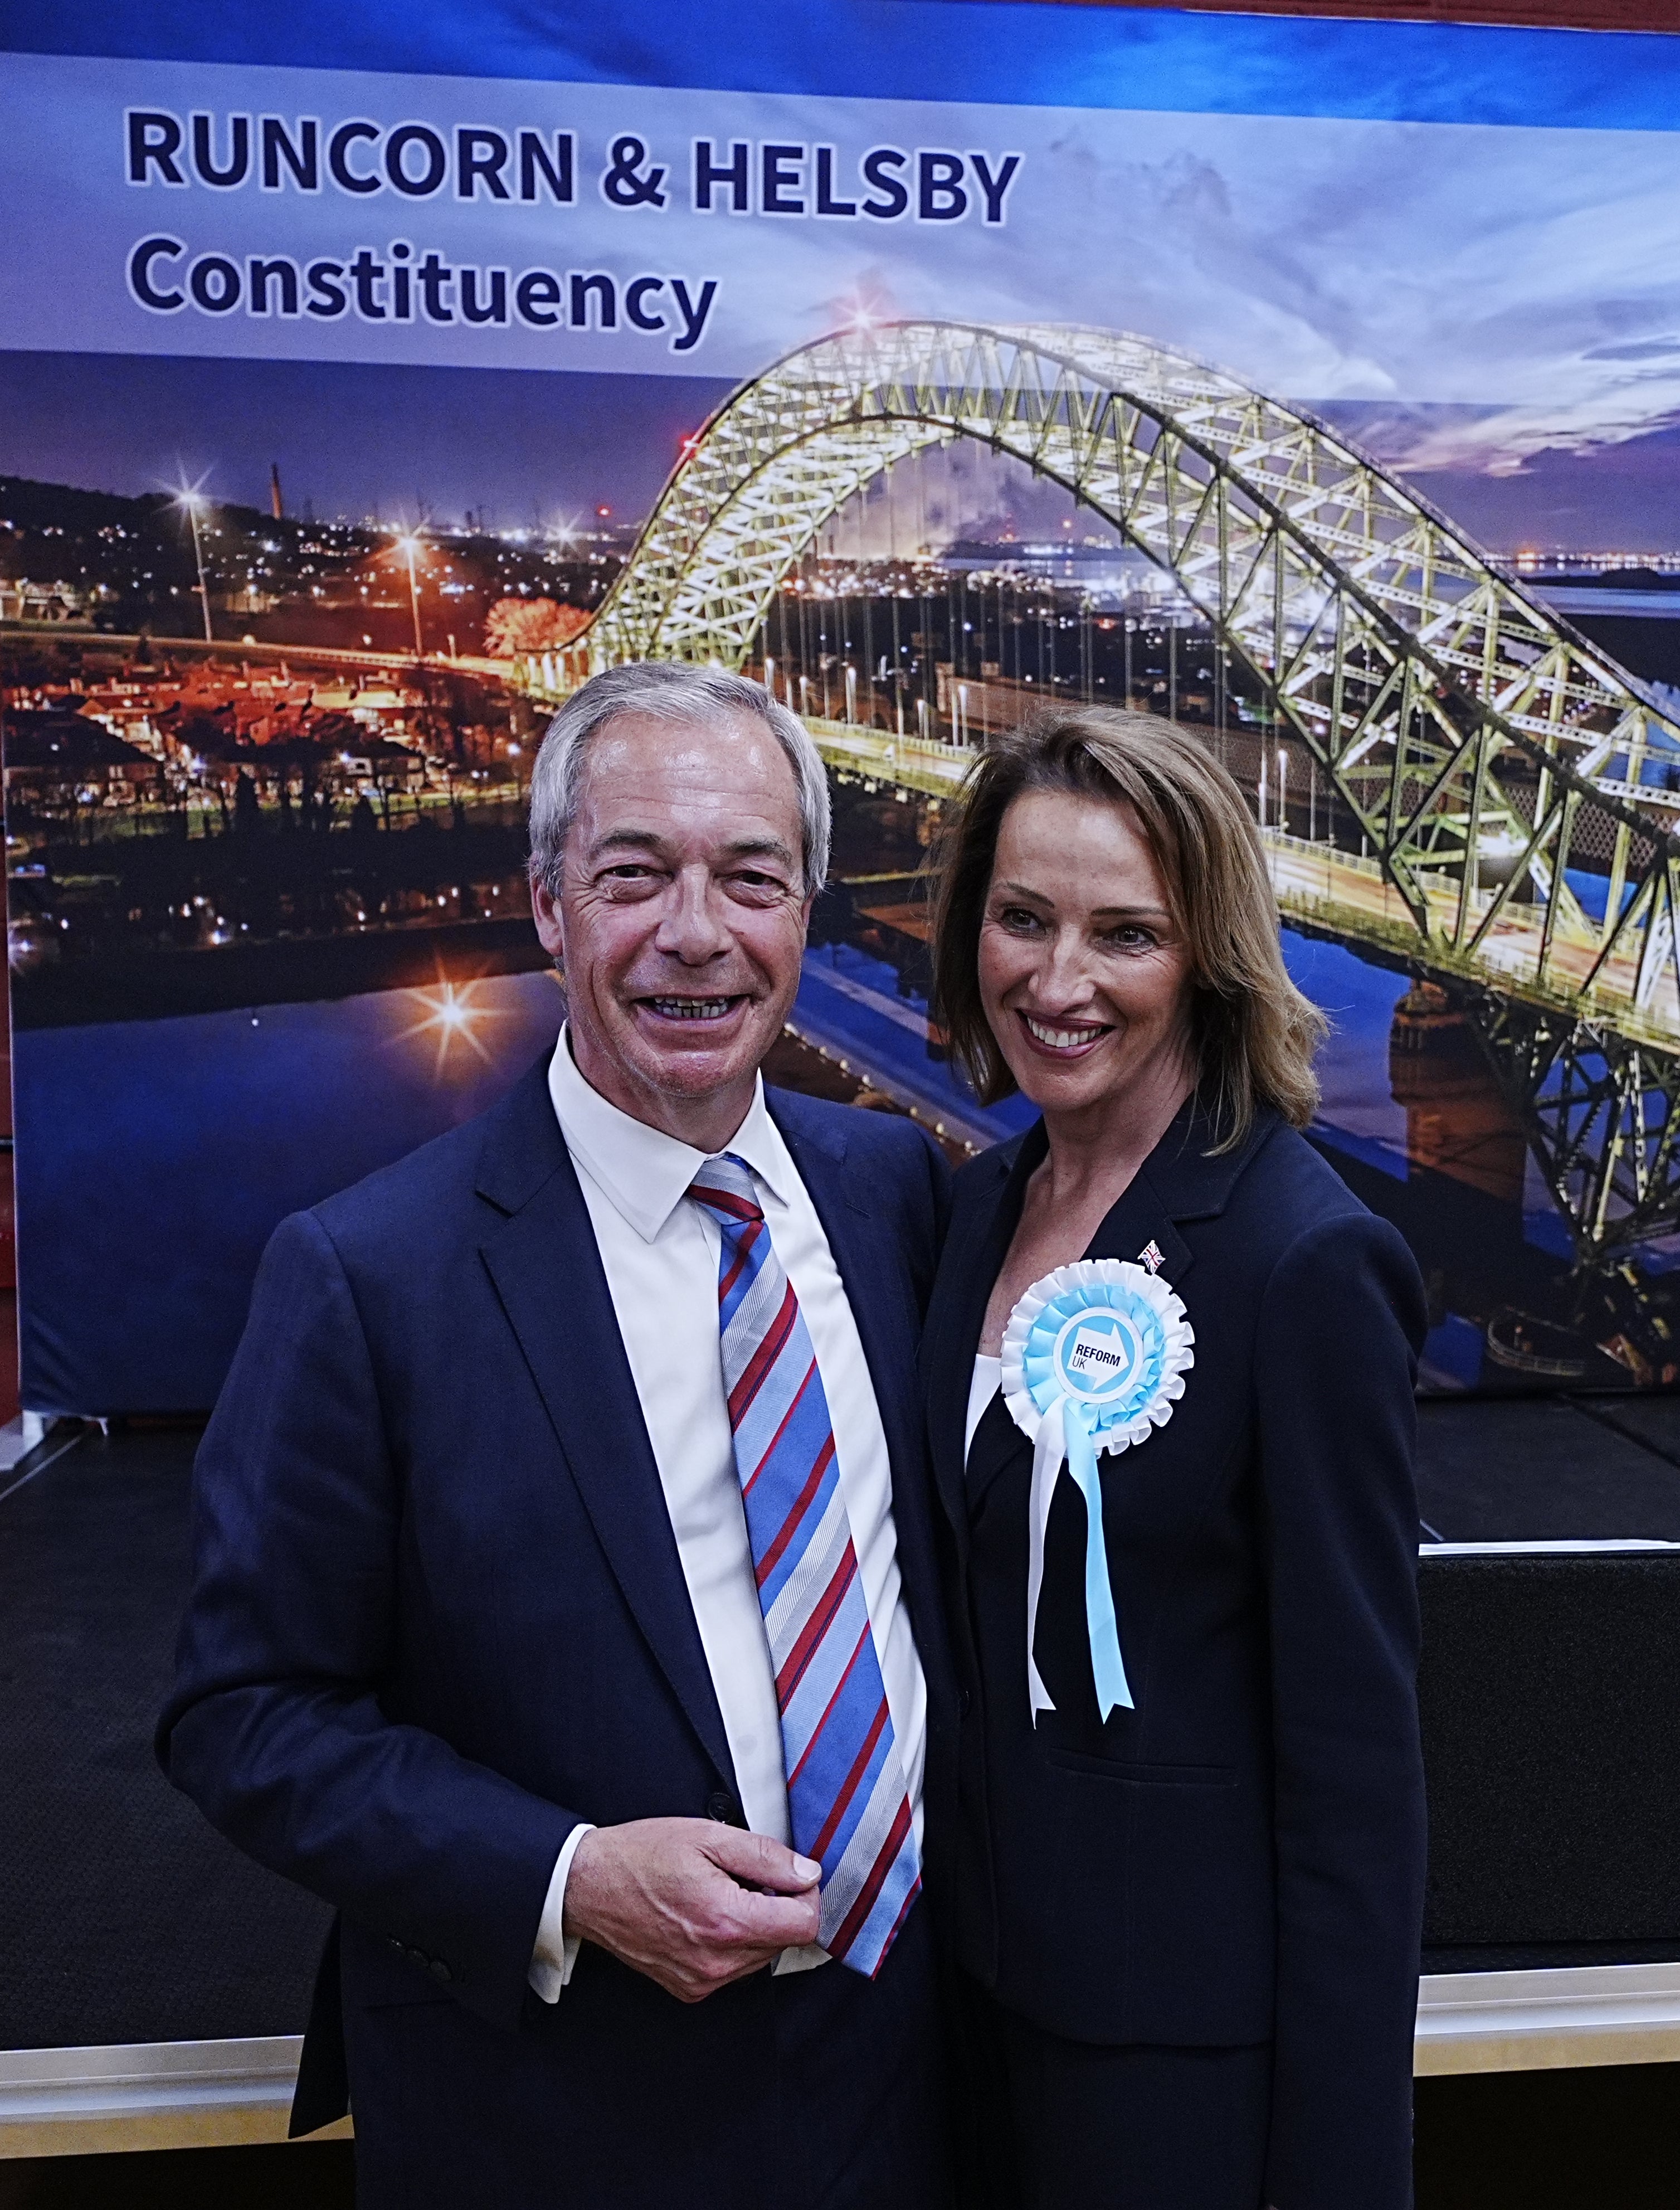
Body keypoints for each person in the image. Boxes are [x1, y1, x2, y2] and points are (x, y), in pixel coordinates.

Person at [157, 662, 956, 2209]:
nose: (696, 933)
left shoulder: (896, 1194)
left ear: (807, 913)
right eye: (633, 876)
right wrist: (567, 1878)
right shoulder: (368, 1275)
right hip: (561, 2114)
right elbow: (244, 1713)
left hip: (905, 2074)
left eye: (751, 879)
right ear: (547, 907)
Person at [921, 708, 1427, 2210]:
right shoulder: (979, 1206)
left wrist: (1338, 2178)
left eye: (1124, 934)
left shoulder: (1304, 1259)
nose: (1056, 981)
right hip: (962, 2010)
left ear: (1209, 955)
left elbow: (1356, 1772)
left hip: (1179, 2065)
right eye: (1023, 918)